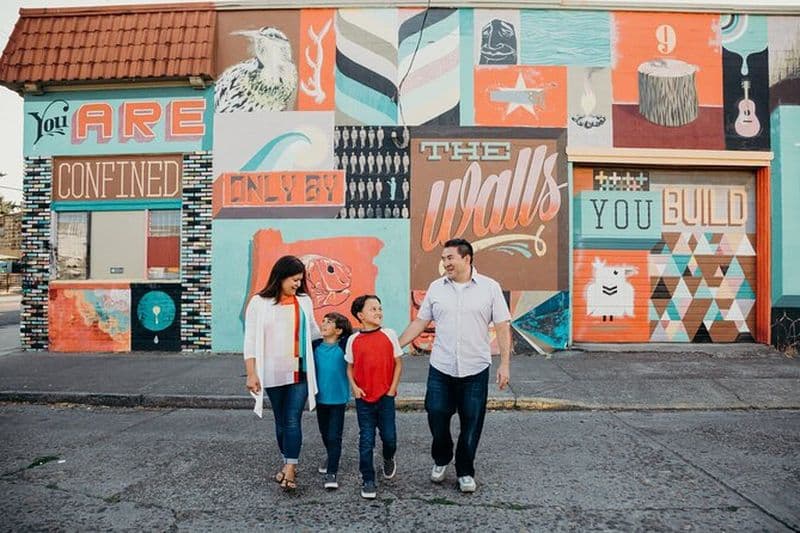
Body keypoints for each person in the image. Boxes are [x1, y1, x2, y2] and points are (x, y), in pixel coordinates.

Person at [398, 238, 511, 493]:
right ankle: (442, 456)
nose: (445, 262)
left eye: (449, 258)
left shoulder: (490, 288)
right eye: (443, 258)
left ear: (466, 258)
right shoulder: (436, 288)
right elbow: (420, 322)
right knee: (436, 414)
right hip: (441, 367)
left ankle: (465, 470)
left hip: (475, 369)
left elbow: (503, 327)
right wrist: (396, 345)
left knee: (472, 422)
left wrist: (504, 364)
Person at [244, 255, 322, 492]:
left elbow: (315, 332)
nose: (298, 284)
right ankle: (288, 459)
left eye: (300, 280)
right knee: (280, 420)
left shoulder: (304, 301)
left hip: (300, 369)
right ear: (280, 276)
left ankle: (290, 467)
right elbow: (250, 340)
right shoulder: (259, 303)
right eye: (294, 279)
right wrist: (251, 373)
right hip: (271, 371)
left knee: (292, 418)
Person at [345, 294, 403, 499]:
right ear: (360, 315)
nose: (378, 312)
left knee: (389, 438)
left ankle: (388, 458)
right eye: (373, 309)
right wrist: (354, 388)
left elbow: (398, 363)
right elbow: (349, 367)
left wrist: (391, 389)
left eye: (380, 308)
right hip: (364, 400)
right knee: (366, 440)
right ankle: (368, 479)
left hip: (386, 397)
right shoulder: (353, 340)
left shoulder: (389, 334)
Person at [312, 311, 353, 490]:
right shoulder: (315, 347)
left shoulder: (344, 347)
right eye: (324, 320)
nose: (324, 324)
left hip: (338, 399)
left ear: (338, 331)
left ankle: (332, 472)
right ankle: (331, 455)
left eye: (329, 322)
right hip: (320, 398)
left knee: (334, 435)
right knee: (324, 432)